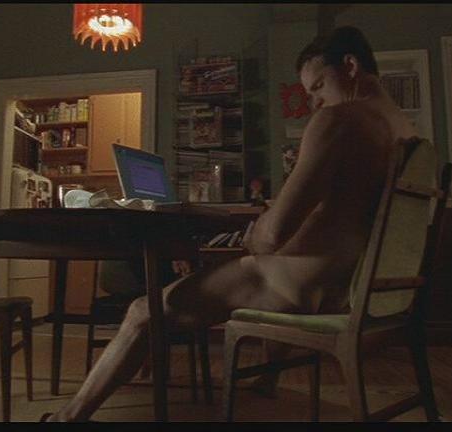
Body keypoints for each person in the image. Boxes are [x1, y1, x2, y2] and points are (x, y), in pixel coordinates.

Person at [44, 26, 424, 422]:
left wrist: (257, 233)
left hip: (299, 285)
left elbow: (272, 236)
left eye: (318, 87)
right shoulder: (407, 134)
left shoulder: (340, 120)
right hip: (345, 284)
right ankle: (265, 384)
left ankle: (66, 418)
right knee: (235, 264)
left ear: (350, 66)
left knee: (144, 309)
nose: (315, 102)